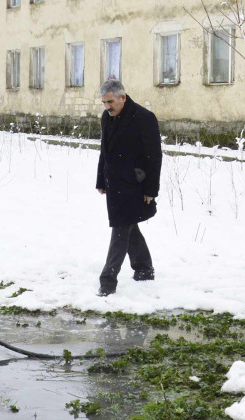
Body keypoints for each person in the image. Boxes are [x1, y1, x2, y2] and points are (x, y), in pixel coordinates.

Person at [95, 80, 162, 297]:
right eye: (104, 102)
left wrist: (151, 189)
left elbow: (154, 157)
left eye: (111, 102)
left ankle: (108, 281)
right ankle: (144, 268)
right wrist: (101, 180)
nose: (107, 107)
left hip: (135, 184)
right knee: (129, 227)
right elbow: (104, 151)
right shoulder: (107, 118)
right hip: (114, 183)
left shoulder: (144, 118)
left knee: (121, 229)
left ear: (123, 97)